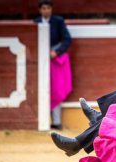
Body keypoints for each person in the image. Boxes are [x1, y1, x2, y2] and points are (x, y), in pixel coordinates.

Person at [35, 0, 73, 130]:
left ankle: (56, 122)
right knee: (41, 89)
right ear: (40, 10)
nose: (46, 10)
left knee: (56, 89)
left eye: (48, 8)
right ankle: (42, 121)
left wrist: (57, 51)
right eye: (43, 8)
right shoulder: (35, 22)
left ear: (51, 9)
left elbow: (67, 39)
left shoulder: (58, 21)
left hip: (56, 61)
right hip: (39, 61)